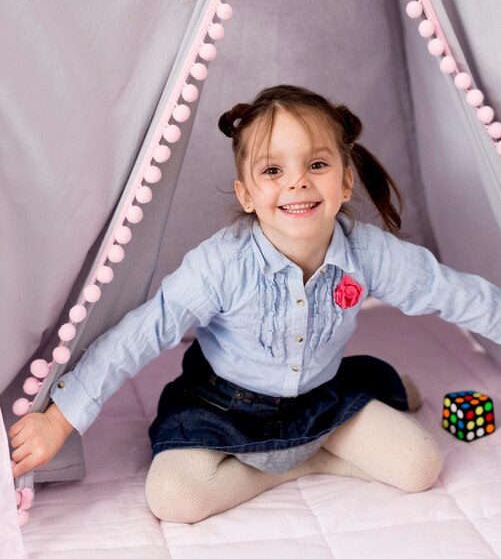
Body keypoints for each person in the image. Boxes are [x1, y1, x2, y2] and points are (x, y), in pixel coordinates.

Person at [9, 85, 501, 524]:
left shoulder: (368, 253)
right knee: (175, 499)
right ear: (246, 194)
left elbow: (452, 292)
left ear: (345, 181)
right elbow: (142, 332)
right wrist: (59, 418)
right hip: (224, 404)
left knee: (420, 467)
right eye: (272, 170)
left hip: (318, 396)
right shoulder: (222, 264)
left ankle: (308, 446)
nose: (297, 182)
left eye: (317, 164)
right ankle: (304, 458)